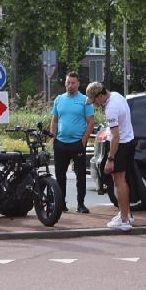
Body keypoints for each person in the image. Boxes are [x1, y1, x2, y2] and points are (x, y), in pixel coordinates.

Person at [86, 81, 136, 231]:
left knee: (118, 182)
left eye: (95, 100)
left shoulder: (111, 109)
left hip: (120, 145)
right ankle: (126, 214)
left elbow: (115, 136)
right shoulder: (116, 95)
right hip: (129, 141)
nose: (95, 103)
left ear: (101, 95)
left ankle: (125, 220)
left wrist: (110, 159)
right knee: (123, 181)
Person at [50, 72, 97, 214]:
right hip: (61, 143)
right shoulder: (59, 99)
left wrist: (83, 140)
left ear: (78, 84)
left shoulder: (85, 100)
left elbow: (91, 122)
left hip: (77, 143)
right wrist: (53, 138)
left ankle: (81, 204)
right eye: (68, 82)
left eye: (73, 82)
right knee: (60, 175)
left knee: (80, 175)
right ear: (65, 83)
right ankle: (61, 204)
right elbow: (55, 120)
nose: (70, 85)